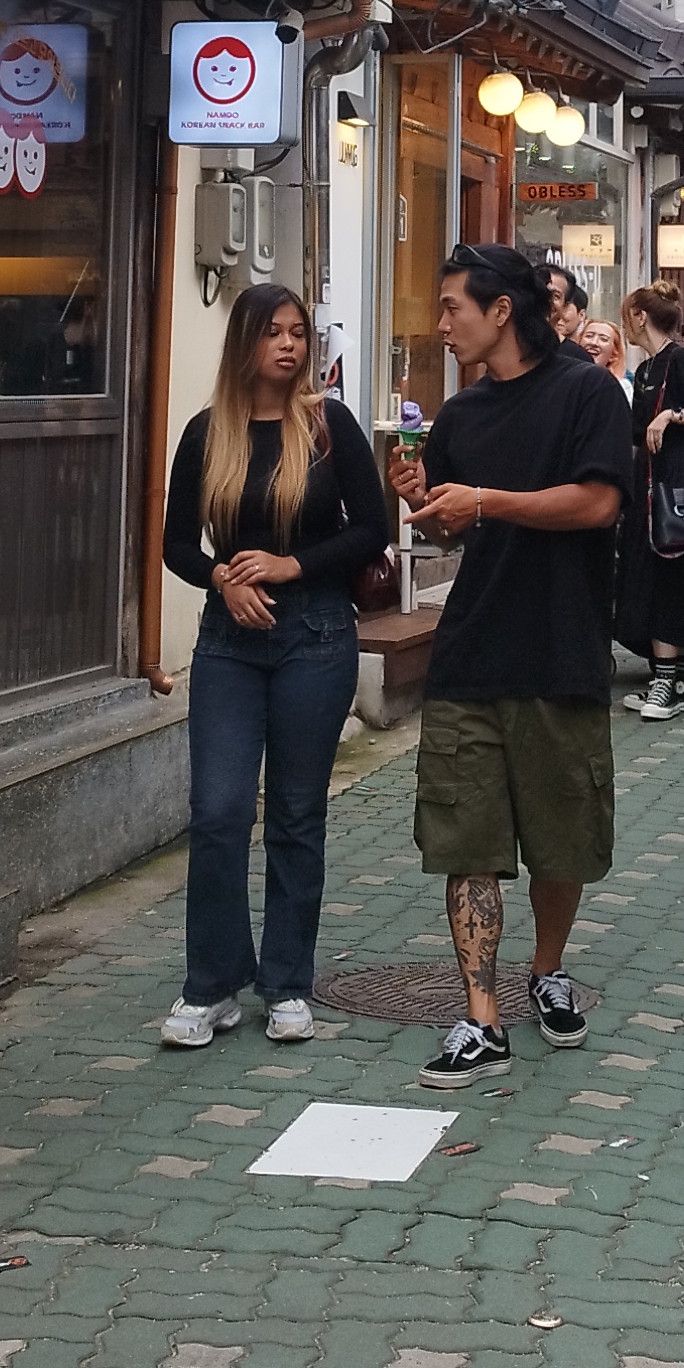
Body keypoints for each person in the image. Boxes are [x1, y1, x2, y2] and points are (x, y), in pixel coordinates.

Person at [400, 244, 632, 1087]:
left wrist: (483, 500)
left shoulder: (587, 391)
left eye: (454, 305)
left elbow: (598, 502)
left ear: (502, 310)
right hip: (468, 652)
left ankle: (547, 969)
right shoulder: (461, 415)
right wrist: (422, 502)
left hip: (561, 646)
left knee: (562, 837)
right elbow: (447, 529)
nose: (443, 321)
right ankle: (480, 1016)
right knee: (468, 841)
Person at [154, 283, 392, 1049]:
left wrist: (289, 568)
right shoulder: (207, 432)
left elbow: (371, 531)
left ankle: (287, 983)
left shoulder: (328, 427)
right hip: (228, 642)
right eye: (274, 334)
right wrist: (222, 577)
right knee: (220, 812)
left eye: (299, 333)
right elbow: (176, 546)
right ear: (245, 344)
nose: (290, 346)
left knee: (295, 814)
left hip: (315, 637)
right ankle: (211, 986)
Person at [612, 281, 684, 722]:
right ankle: (668, 678)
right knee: (650, 578)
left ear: (640, 316)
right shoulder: (645, 369)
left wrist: (671, 414)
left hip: (675, 489)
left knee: (672, 578)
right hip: (647, 485)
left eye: (628, 314)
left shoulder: (679, 360)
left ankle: (669, 683)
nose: (625, 323)